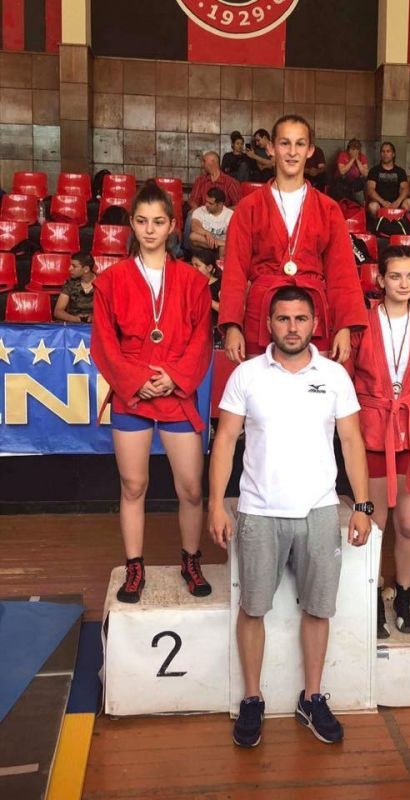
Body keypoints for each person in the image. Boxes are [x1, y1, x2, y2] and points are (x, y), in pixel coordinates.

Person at [208, 285, 372, 748]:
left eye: (301, 319)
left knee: (318, 609)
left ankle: (312, 697)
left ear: (314, 324)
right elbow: (225, 440)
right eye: (283, 319)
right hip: (258, 512)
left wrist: (362, 506)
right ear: (269, 324)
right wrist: (215, 503)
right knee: (253, 608)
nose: (292, 327)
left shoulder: (335, 375)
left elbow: (352, 442)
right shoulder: (246, 374)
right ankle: (252, 698)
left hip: (319, 511)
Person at [91, 181, 213, 603]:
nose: (149, 229)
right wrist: (134, 380)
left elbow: (202, 339)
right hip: (133, 395)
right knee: (133, 485)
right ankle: (134, 566)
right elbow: (104, 343)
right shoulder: (111, 280)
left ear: (172, 226)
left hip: (176, 393)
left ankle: (191, 560)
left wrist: (175, 377)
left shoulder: (193, 281)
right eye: (142, 221)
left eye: (158, 222)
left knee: (191, 488)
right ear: (132, 223)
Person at [219, 114, 368, 363]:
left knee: (312, 387)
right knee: (261, 388)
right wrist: (233, 325)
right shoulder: (248, 207)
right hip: (261, 314)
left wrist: (344, 326)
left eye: (300, 144)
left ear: (310, 150)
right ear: (271, 148)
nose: (292, 152)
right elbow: (234, 270)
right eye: (284, 143)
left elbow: (342, 272)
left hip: (312, 314)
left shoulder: (328, 208)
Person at [346, 245, 410, 640]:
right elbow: (345, 380)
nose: (403, 283)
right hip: (372, 431)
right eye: (395, 276)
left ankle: (404, 596)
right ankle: (371, 597)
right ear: (380, 279)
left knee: (408, 524)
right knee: (377, 524)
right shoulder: (361, 323)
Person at [366, 142, 409, 220]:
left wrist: (397, 202)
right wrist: (383, 202)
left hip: (396, 203)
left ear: (393, 154)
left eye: (388, 151)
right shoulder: (374, 171)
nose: (385, 154)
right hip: (379, 203)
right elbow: (370, 189)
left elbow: (405, 189)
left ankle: (401, 224)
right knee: (372, 206)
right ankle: (378, 225)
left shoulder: (400, 171)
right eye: (383, 151)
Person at [190, 247, 222, 345]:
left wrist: (206, 298)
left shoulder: (221, 285)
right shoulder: (191, 284)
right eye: (192, 265)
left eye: (197, 265)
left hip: (214, 333)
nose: (193, 268)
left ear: (209, 268)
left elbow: (225, 310)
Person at [189, 187, 233, 257]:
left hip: (223, 247)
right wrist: (207, 233)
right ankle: (220, 244)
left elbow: (233, 236)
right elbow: (194, 226)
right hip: (205, 244)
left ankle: (220, 261)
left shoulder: (230, 214)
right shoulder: (199, 211)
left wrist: (219, 242)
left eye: (210, 203)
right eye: (206, 201)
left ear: (220, 204)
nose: (207, 205)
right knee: (193, 236)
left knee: (225, 246)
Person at [54, 252, 96, 323]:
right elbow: (58, 312)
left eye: (74, 266)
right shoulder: (70, 283)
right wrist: (77, 319)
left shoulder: (101, 283)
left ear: (86, 269)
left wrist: (96, 317)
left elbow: (109, 310)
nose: (69, 268)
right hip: (73, 325)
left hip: (96, 325)